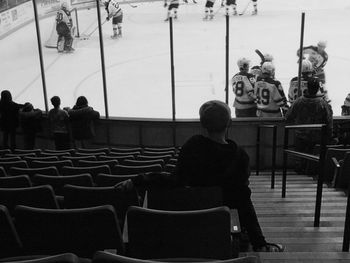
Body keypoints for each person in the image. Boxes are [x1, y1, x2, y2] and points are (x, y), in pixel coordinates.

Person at [175, 100, 284, 252]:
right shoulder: (240, 156)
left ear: (203, 123)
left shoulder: (191, 146)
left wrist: (141, 179)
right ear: (229, 123)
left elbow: (176, 180)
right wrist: (258, 240)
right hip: (224, 219)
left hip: (191, 219)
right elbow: (243, 199)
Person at [285, 77, 333, 174]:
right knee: (313, 159)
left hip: (300, 134)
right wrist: (329, 135)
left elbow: (288, 117)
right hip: (316, 136)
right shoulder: (322, 103)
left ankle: (300, 171)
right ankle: (310, 173)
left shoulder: (298, 101)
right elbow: (329, 121)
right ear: (317, 88)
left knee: (300, 156)